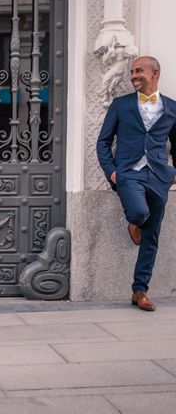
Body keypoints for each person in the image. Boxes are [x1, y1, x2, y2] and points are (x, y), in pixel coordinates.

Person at [97, 56, 176, 311]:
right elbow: (102, 142)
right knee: (139, 212)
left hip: (159, 176)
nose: (134, 76)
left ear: (156, 73)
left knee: (151, 237)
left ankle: (139, 291)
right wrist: (112, 172)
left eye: (139, 71)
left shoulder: (172, 107)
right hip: (128, 172)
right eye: (132, 72)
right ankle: (134, 223)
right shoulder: (121, 105)